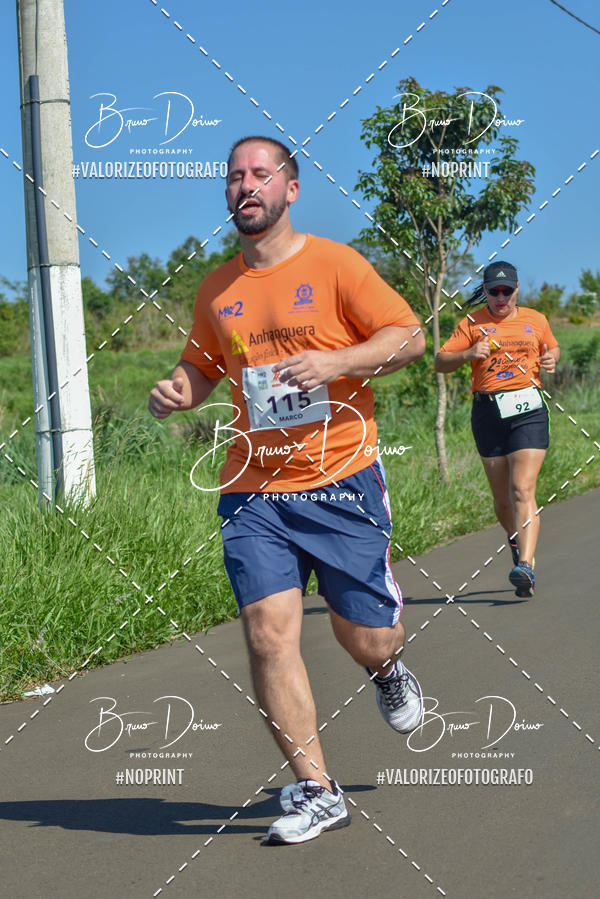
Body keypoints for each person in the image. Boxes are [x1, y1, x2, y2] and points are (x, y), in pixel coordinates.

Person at [148, 135, 426, 844]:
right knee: (269, 635)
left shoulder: (336, 265)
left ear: (290, 189)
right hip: (253, 489)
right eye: (235, 176)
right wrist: (181, 390)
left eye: (260, 174)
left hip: (340, 479)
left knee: (365, 634)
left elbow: (408, 336)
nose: (246, 185)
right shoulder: (217, 287)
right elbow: (202, 365)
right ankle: (317, 788)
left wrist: (336, 359)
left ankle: (386, 667)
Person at [434, 261, 560, 597]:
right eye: (494, 291)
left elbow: (552, 347)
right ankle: (517, 541)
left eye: (508, 290)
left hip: (528, 410)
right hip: (488, 412)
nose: (501, 297)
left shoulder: (536, 319)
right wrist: (467, 353)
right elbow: (439, 361)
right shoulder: (472, 323)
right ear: (486, 291)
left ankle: (526, 567)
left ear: (517, 289)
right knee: (502, 498)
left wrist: (551, 359)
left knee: (522, 489)